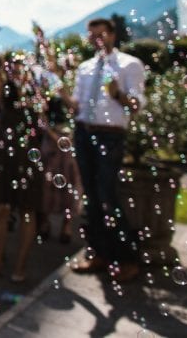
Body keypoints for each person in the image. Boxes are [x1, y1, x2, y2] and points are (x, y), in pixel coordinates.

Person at [60, 17, 145, 283]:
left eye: (101, 35)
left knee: (108, 194)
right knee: (91, 197)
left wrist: (118, 94)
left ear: (112, 35)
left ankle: (127, 258)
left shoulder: (129, 64)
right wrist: (63, 95)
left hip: (110, 135)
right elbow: (78, 105)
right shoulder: (85, 68)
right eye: (92, 36)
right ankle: (97, 253)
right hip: (84, 132)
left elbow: (137, 104)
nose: (97, 40)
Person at [0, 43, 45, 283]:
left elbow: (46, 114)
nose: (17, 69)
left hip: (28, 154)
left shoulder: (37, 91)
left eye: (22, 64)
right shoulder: (6, 90)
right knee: (0, 209)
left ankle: (21, 264)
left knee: (27, 211)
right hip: (5, 155)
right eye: (13, 65)